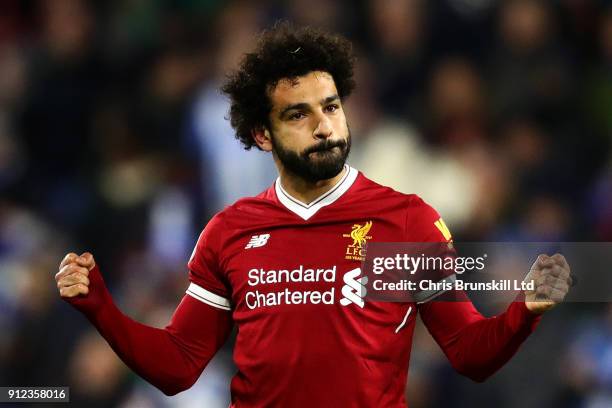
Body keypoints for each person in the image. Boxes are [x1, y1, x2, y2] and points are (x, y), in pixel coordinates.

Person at [55, 23, 572, 407]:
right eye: (298, 114)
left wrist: (522, 312)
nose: (323, 126)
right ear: (263, 134)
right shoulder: (229, 231)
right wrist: (100, 305)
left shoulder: (405, 222)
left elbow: (466, 350)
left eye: (331, 106)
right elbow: (180, 365)